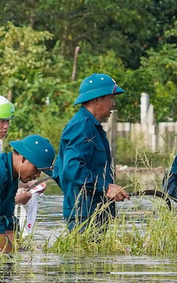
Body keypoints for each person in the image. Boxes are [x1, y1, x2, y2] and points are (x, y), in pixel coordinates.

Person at [51, 73, 129, 229]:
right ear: (96, 99)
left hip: (94, 211)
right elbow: (71, 168)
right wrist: (105, 187)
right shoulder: (81, 126)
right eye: (110, 98)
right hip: (84, 215)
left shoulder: (91, 127)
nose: (113, 104)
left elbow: (59, 169)